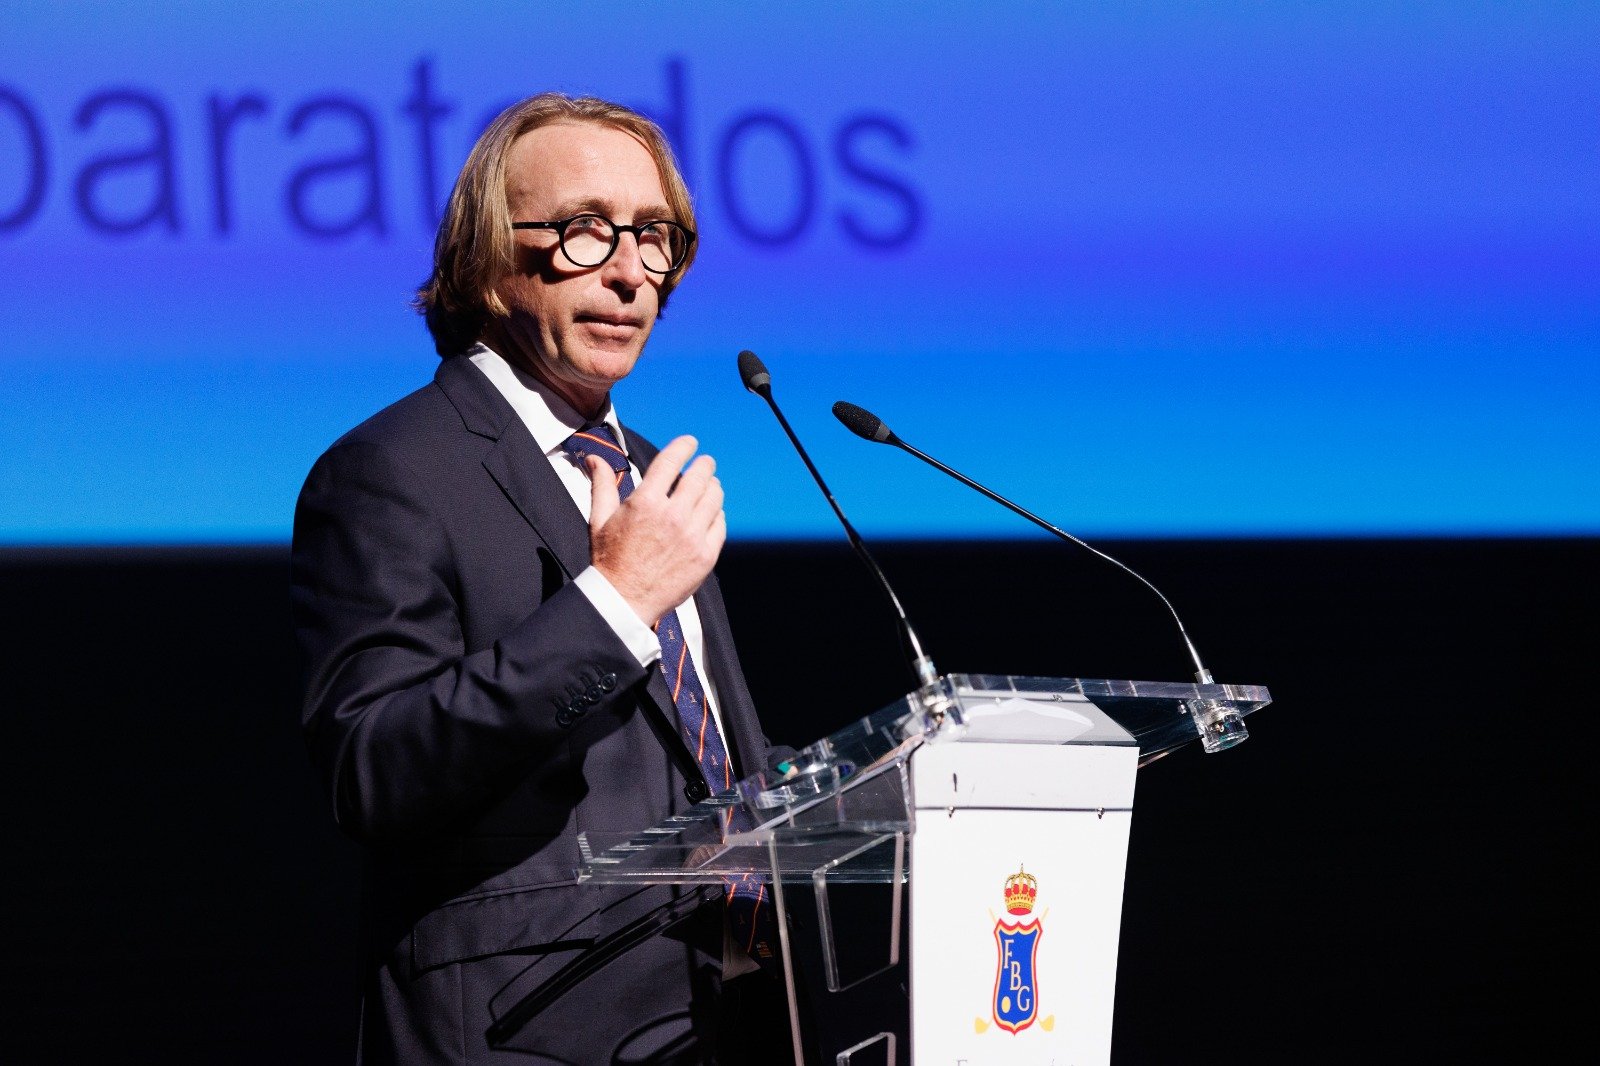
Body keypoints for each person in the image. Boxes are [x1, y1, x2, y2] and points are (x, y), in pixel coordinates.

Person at [291, 93, 785, 1064]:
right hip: (524, 1026)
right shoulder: (395, 467)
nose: (631, 271)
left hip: (721, 1020)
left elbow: (703, 761)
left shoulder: (648, 468)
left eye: (654, 236)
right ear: (484, 255)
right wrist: (611, 604)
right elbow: (375, 769)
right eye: (584, 231)